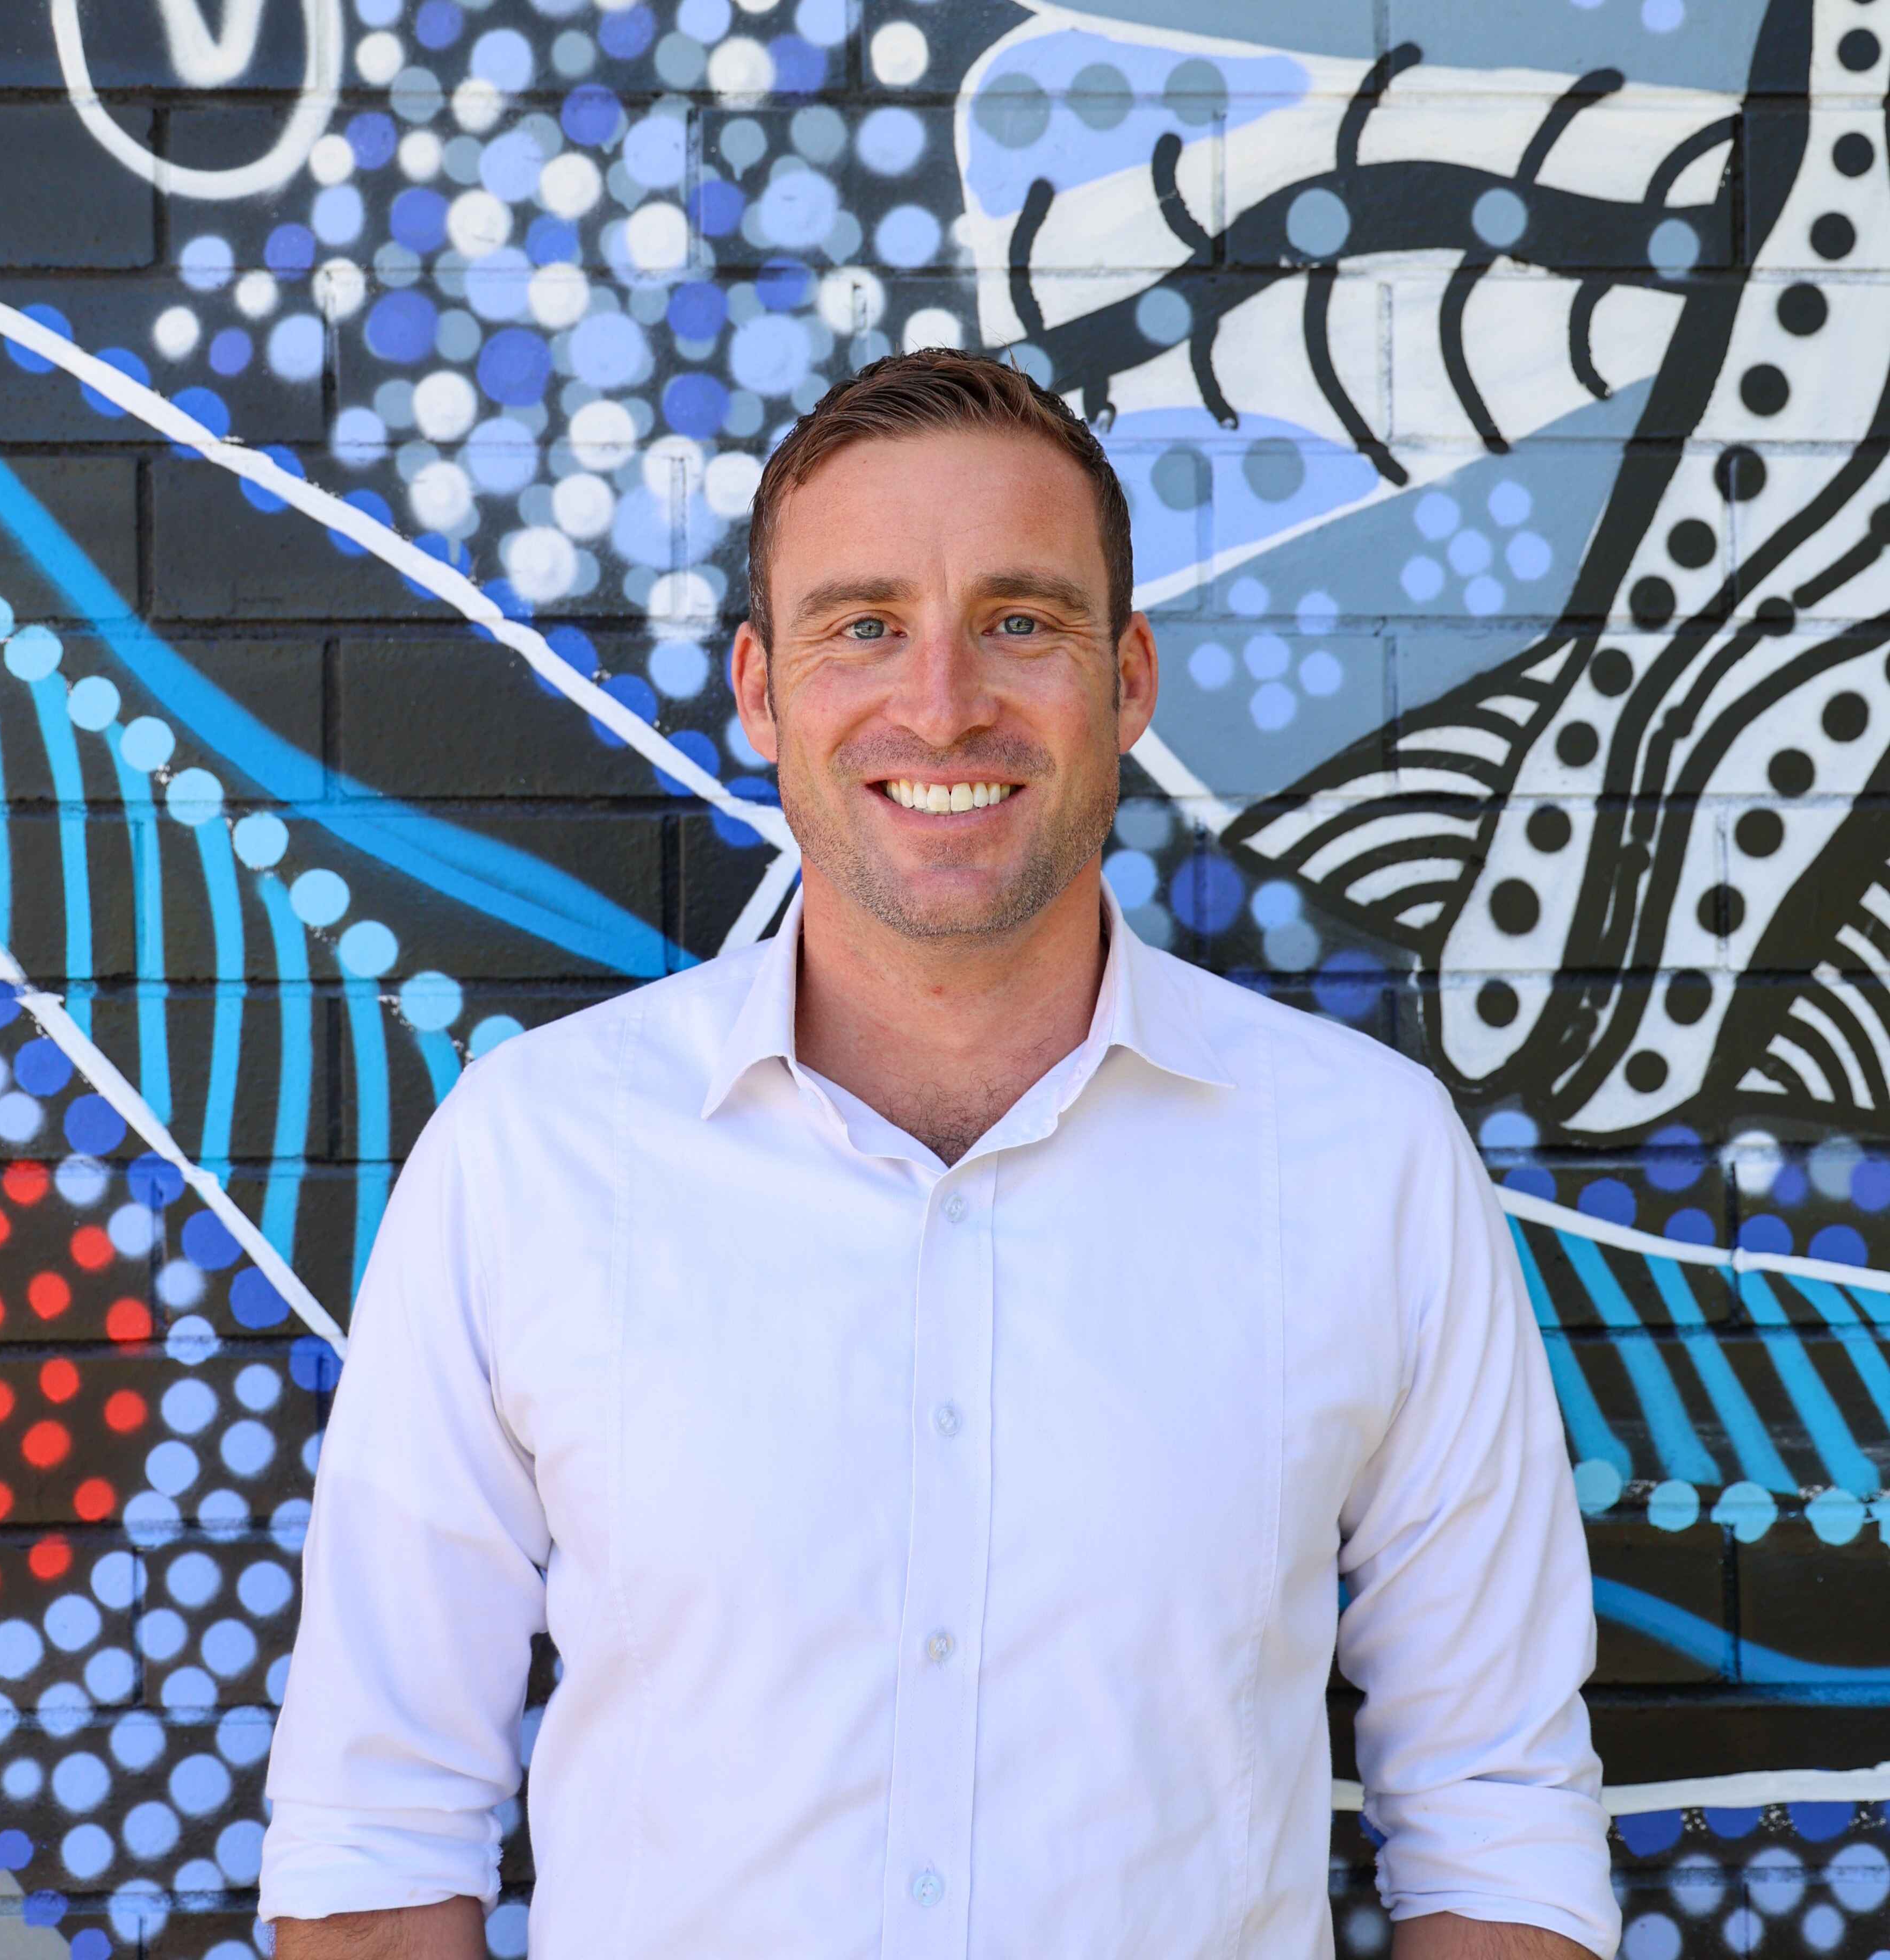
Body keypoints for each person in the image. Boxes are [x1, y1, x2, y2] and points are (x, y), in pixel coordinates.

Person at [259, 350, 1620, 1959]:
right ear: (763, 691)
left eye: (1021, 623)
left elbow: (1494, 1820)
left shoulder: (1366, 1165)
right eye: (864, 627)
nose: (944, 703)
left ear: (1128, 681)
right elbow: (378, 1828)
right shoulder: (533, 1163)